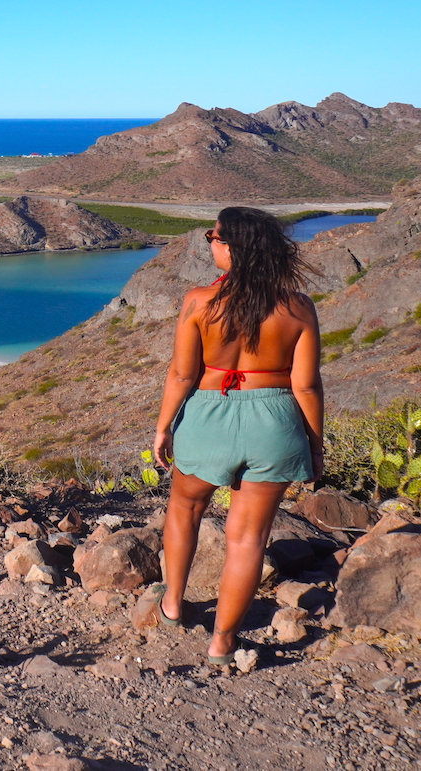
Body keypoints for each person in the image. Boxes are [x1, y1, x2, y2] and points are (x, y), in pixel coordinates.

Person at [150, 206, 325, 665]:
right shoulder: (298, 307)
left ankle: (173, 605)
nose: (211, 243)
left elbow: (182, 375)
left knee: (185, 509)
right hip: (276, 423)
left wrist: (164, 427)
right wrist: (315, 445)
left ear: (232, 247)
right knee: (248, 538)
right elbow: (306, 386)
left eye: (214, 236)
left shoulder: (199, 302)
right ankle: (223, 642)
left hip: (208, 417)